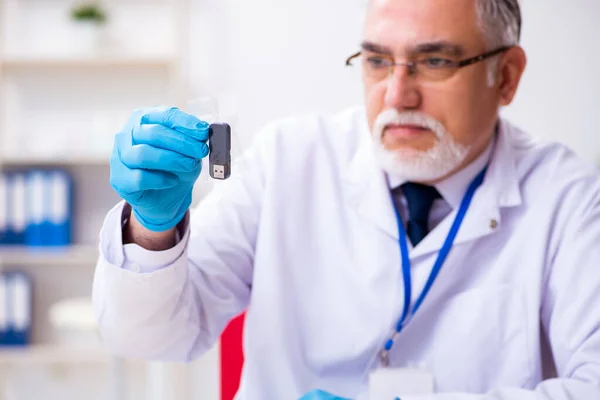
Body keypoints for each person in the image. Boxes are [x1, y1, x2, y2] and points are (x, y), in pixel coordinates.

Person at [92, 0, 600, 398]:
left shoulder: (568, 198)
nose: (398, 95)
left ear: (506, 76)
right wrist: (151, 229)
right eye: (377, 61)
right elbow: (152, 338)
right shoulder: (287, 160)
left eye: (435, 61)